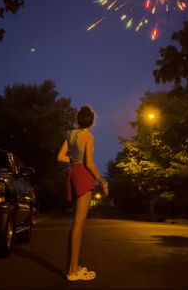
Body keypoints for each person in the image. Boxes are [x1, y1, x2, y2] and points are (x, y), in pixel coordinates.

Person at [57, 105, 109, 281]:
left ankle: (72, 266)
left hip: (73, 174)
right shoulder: (89, 136)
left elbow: (60, 157)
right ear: (92, 121)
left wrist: (74, 160)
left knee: (75, 224)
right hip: (84, 176)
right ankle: (73, 271)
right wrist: (102, 181)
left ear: (78, 120)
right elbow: (89, 163)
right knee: (79, 224)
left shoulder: (70, 134)